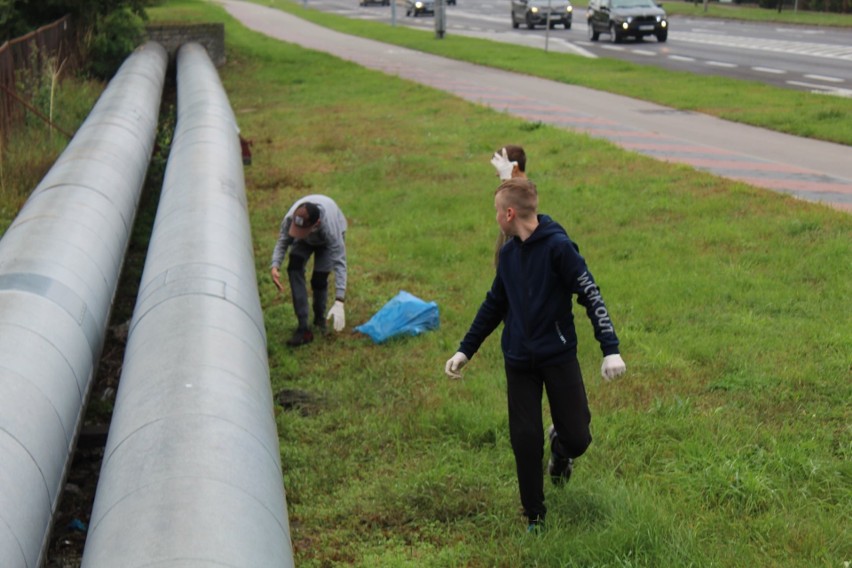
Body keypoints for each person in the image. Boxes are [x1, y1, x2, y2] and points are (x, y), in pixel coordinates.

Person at [443, 177, 626, 531]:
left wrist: (610, 349)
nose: (495, 218)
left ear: (509, 213)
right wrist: (466, 349)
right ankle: (535, 517)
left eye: (497, 212)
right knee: (525, 440)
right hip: (519, 361)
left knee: (578, 438)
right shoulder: (509, 253)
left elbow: (591, 293)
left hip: (557, 355)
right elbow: (495, 304)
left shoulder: (558, 248)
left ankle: (560, 449)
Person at [271, 194, 348, 346]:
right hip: (306, 239)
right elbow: (283, 241)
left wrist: (340, 300)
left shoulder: (330, 228)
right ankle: (303, 328)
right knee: (294, 267)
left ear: (316, 223)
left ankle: (320, 320)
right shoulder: (291, 218)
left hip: (326, 242)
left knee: (319, 279)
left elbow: (340, 262)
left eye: (302, 229)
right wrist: (275, 265)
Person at [490, 145, 527, 268]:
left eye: (500, 170)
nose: (496, 174)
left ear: (515, 168)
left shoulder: (526, 195)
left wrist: (507, 179)